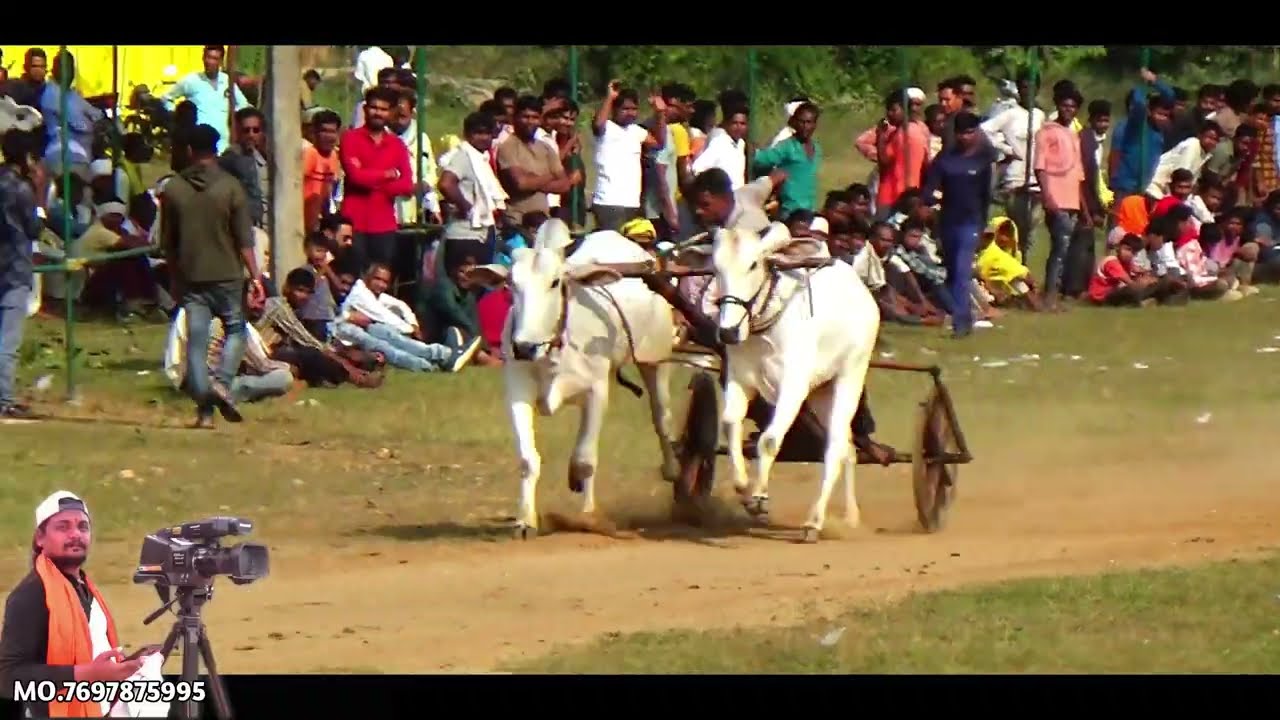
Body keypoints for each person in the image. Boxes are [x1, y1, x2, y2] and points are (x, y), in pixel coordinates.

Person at [0, 492, 167, 718]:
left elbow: (90, 655)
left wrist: (127, 665)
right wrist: (89, 674)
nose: (75, 534)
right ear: (40, 538)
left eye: (82, 526)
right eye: (63, 527)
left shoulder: (84, 587)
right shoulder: (30, 595)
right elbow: (9, 678)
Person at [160, 124, 266, 428]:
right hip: (227, 274)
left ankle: (204, 412)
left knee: (196, 340)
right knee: (236, 327)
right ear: (216, 149)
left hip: (191, 275)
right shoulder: (230, 187)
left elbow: (167, 243)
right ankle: (222, 382)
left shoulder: (174, 189)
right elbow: (245, 239)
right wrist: (256, 276)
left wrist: (174, 277)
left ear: (190, 151)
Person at [333, 262, 480, 373]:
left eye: (385, 281)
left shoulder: (374, 294)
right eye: (377, 279)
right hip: (346, 335)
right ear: (367, 277)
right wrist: (409, 330)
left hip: (363, 332)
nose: (381, 285)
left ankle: (441, 358)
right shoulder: (360, 295)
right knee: (387, 341)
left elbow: (400, 305)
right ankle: (442, 357)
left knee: (385, 333)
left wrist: (413, 324)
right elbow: (383, 316)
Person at [921, 111, 992, 338]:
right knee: (952, 274)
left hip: (970, 225)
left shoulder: (982, 163)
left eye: (970, 132)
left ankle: (960, 323)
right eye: (962, 133)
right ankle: (961, 315)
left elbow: (985, 197)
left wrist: (982, 227)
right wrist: (931, 203)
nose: (966, 137)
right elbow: (928, 191)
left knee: (962, 271)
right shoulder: (945, 161)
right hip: (948, 223)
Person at [338, 86, 414, 274]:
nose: (378, 113)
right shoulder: (350, 138)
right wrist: (387, 175)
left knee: (380, 280)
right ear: (365, 109)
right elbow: (355, 177)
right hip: (354, 223)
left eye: (383, 109)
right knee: (354, 278)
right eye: (374, 108)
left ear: (390, 113)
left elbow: (406, 185)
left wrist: (370, 177)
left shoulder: (397, 145)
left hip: (384, 225)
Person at [0, 129, 44, 420]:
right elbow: (33, 229)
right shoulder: (22, 190)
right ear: (27, 158)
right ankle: (4, 398)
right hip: (14, 268)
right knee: (8, 340)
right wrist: (40, 196)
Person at [591, 82, 667, 231]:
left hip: (632, 202)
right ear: (614, 109)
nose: (630, 113)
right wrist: (610, 97)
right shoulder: (607, 128)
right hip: (609, 201)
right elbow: (598, 124)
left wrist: (660, 113)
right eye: (625, 109)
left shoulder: (636, 131)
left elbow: (659, 143)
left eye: (634, 109)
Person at [161, 45, 251, 155]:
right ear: (203, 58)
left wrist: (234, 117)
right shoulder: (191, 81)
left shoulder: (226, 80)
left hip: (225, 146)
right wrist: (179, 116)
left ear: (221, 61)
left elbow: (243, 105)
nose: (210, 62)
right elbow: (166, 98)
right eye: (208, 57)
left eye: (214, 58)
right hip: (200, 147)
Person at [752, 101, 823, 219]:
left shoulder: (817, 149)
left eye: (809, 122)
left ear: (814, 124)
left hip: (809, 211)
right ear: (794, 122)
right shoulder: (787, 146)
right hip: (790, 213)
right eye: (801, 122)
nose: (805, 126)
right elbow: (762, 160)